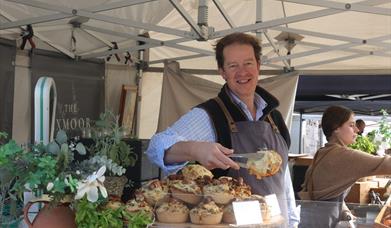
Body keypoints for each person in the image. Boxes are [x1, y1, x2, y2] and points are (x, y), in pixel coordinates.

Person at [146, 32, 300, 227]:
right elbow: (155, 147)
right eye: (233, 65)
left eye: (248, 63)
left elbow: (283, 177)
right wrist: (194, 149)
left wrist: (293, 221)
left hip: (276, 221)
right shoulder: (210, 114)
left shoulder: (275, 117)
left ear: (259, 65)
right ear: (222, 72)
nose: (242, 72)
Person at [299, 106, 391, 227]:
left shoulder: (323, 152)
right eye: (351, 125)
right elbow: (386, 164)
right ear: (336, 128)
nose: (357, 130)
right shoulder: (342, 155)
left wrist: (347, 214)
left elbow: (331, 195)